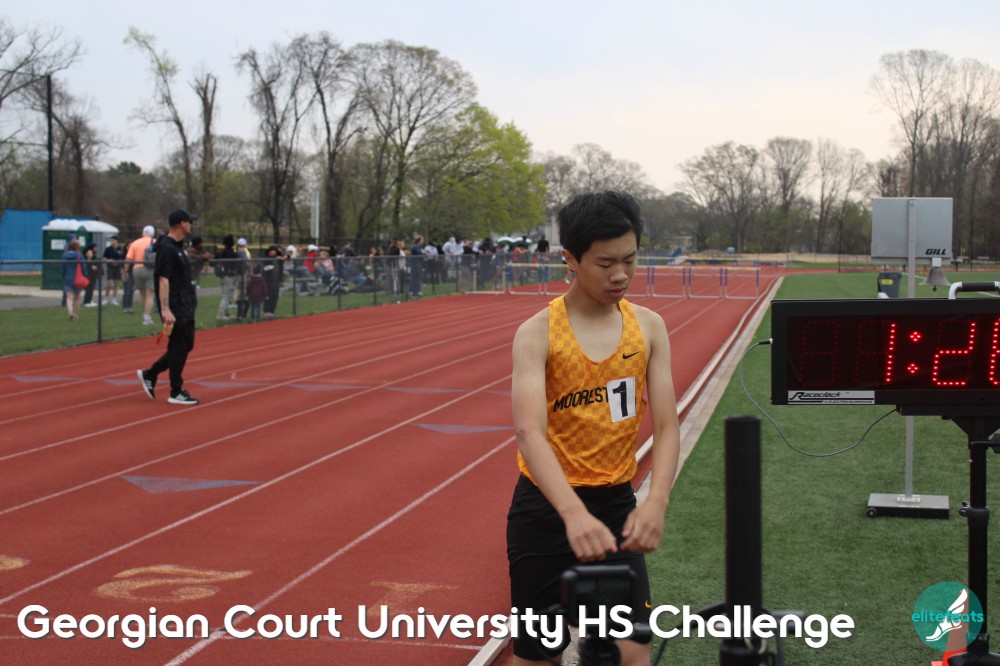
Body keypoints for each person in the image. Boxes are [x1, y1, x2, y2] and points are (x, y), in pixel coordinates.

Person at [506, 191, 680, 665]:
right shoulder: (537, 333)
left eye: (630, 260)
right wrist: (572, 514)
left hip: (616, 507)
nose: (620, 274)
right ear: (570, 259)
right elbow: (529, 433)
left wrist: (656, 502)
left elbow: (667, 427)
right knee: (537, 654)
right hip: (546, 511)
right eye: (605, 263)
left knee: (631, 653)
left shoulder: (649, 327)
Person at [137, 209, 200, 405]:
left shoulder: (179, 247)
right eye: (189, 221)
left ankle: (150, 373)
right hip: (175, 306)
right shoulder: (167, 249)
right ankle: (176, 390)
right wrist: (165, 309)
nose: (191, 224)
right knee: (179, 346)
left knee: (186, 345)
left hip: (186, 303)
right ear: (181, 223)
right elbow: (163, 279)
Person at [126, 225, 158, 325]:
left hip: (137, 268)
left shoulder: (135, 243)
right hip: (150, 268)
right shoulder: (156, 242)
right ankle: (147, 317)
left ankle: (144, 314)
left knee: (142, 293)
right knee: (150, 294)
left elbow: (128, 258)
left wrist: (125, 270)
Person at [213, 235, 238, 320]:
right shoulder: (231, 253)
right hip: (228, 276)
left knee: (226, 295)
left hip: (222, 275)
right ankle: (221, 314)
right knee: (227, 296)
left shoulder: (223, 252)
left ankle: (226, 313)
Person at [60, 238, 84, 320]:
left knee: (69, 297)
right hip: (78, 277)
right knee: (77, 297)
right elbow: (83, 266)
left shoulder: (64, 256)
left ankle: (70, 312)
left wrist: (64, 275)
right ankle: (76, 314)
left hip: (68, 277)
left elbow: (62, 268)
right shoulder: (79, 255)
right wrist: (85, 275)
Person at [102, 236, 123, 305]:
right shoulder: (108, 249)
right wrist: (109, 260)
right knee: (110, 284)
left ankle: (114, 299)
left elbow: (122, 258)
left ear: (116, 241)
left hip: (117, 267)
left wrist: (118, 262)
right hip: (110, 267)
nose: (112, 241)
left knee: (116, 284)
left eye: (113, 240)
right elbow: (104, 257)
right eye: (111, 240)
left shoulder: (119, 249)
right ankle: (106, 298)